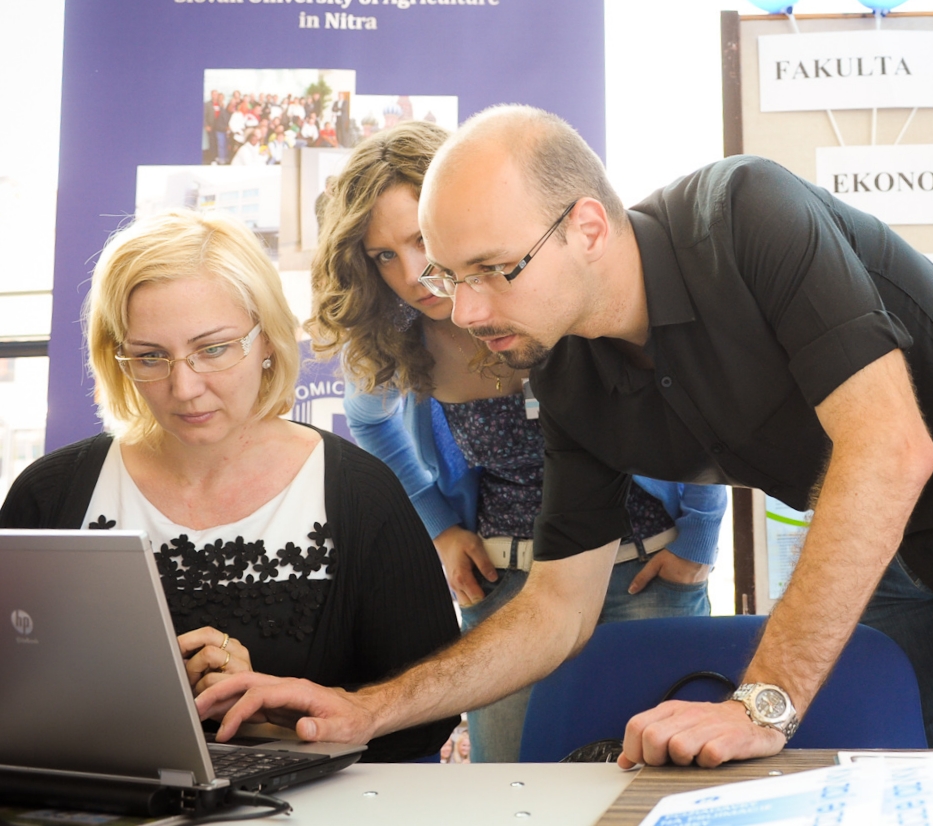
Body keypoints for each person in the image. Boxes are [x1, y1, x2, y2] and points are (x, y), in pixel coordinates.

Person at [197, 103, 933, 764]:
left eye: (494, 271)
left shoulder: (745, 214)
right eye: (454, 277)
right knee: (908, 771)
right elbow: (555, 608)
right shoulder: (567, 374)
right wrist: (365, 709)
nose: (467, 311)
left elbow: (890, 449)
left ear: (587, 227)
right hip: (891, 538)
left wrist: (759, 704)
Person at [306, 120, 728, 762]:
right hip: (504, 586)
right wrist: (441, 526)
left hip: (644, 570)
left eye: (420, 240)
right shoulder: (398, 341)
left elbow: (684, 402)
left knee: (657, 777)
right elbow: (368, 422)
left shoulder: (561, 288)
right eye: (383, 256)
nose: (414, 273)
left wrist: (699, 534)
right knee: (509, 781)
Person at [0, 209, 459, 762]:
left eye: (213, 349)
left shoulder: (362, 496)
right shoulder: (48, 495)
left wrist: (281, 718)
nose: (184, 387)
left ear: (268, 340)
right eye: (150, 357)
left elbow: (424, 721)